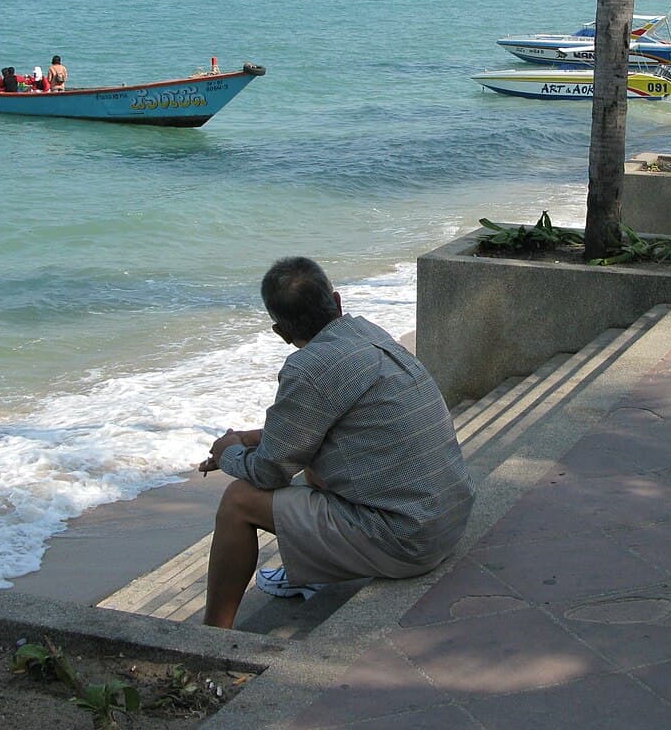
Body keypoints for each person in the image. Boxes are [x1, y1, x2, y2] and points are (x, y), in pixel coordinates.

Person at [198, 257, 474, 630]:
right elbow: (319, 429)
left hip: (410, 542)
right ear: (338, 301)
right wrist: (251, 438)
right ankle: (313, 571)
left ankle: (213, 635)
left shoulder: (308, 369)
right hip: (449, 517)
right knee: (314, 458)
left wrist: (228, 453)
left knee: (238, 501)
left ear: (280, 332)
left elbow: (268, 472)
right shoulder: (368, 333)